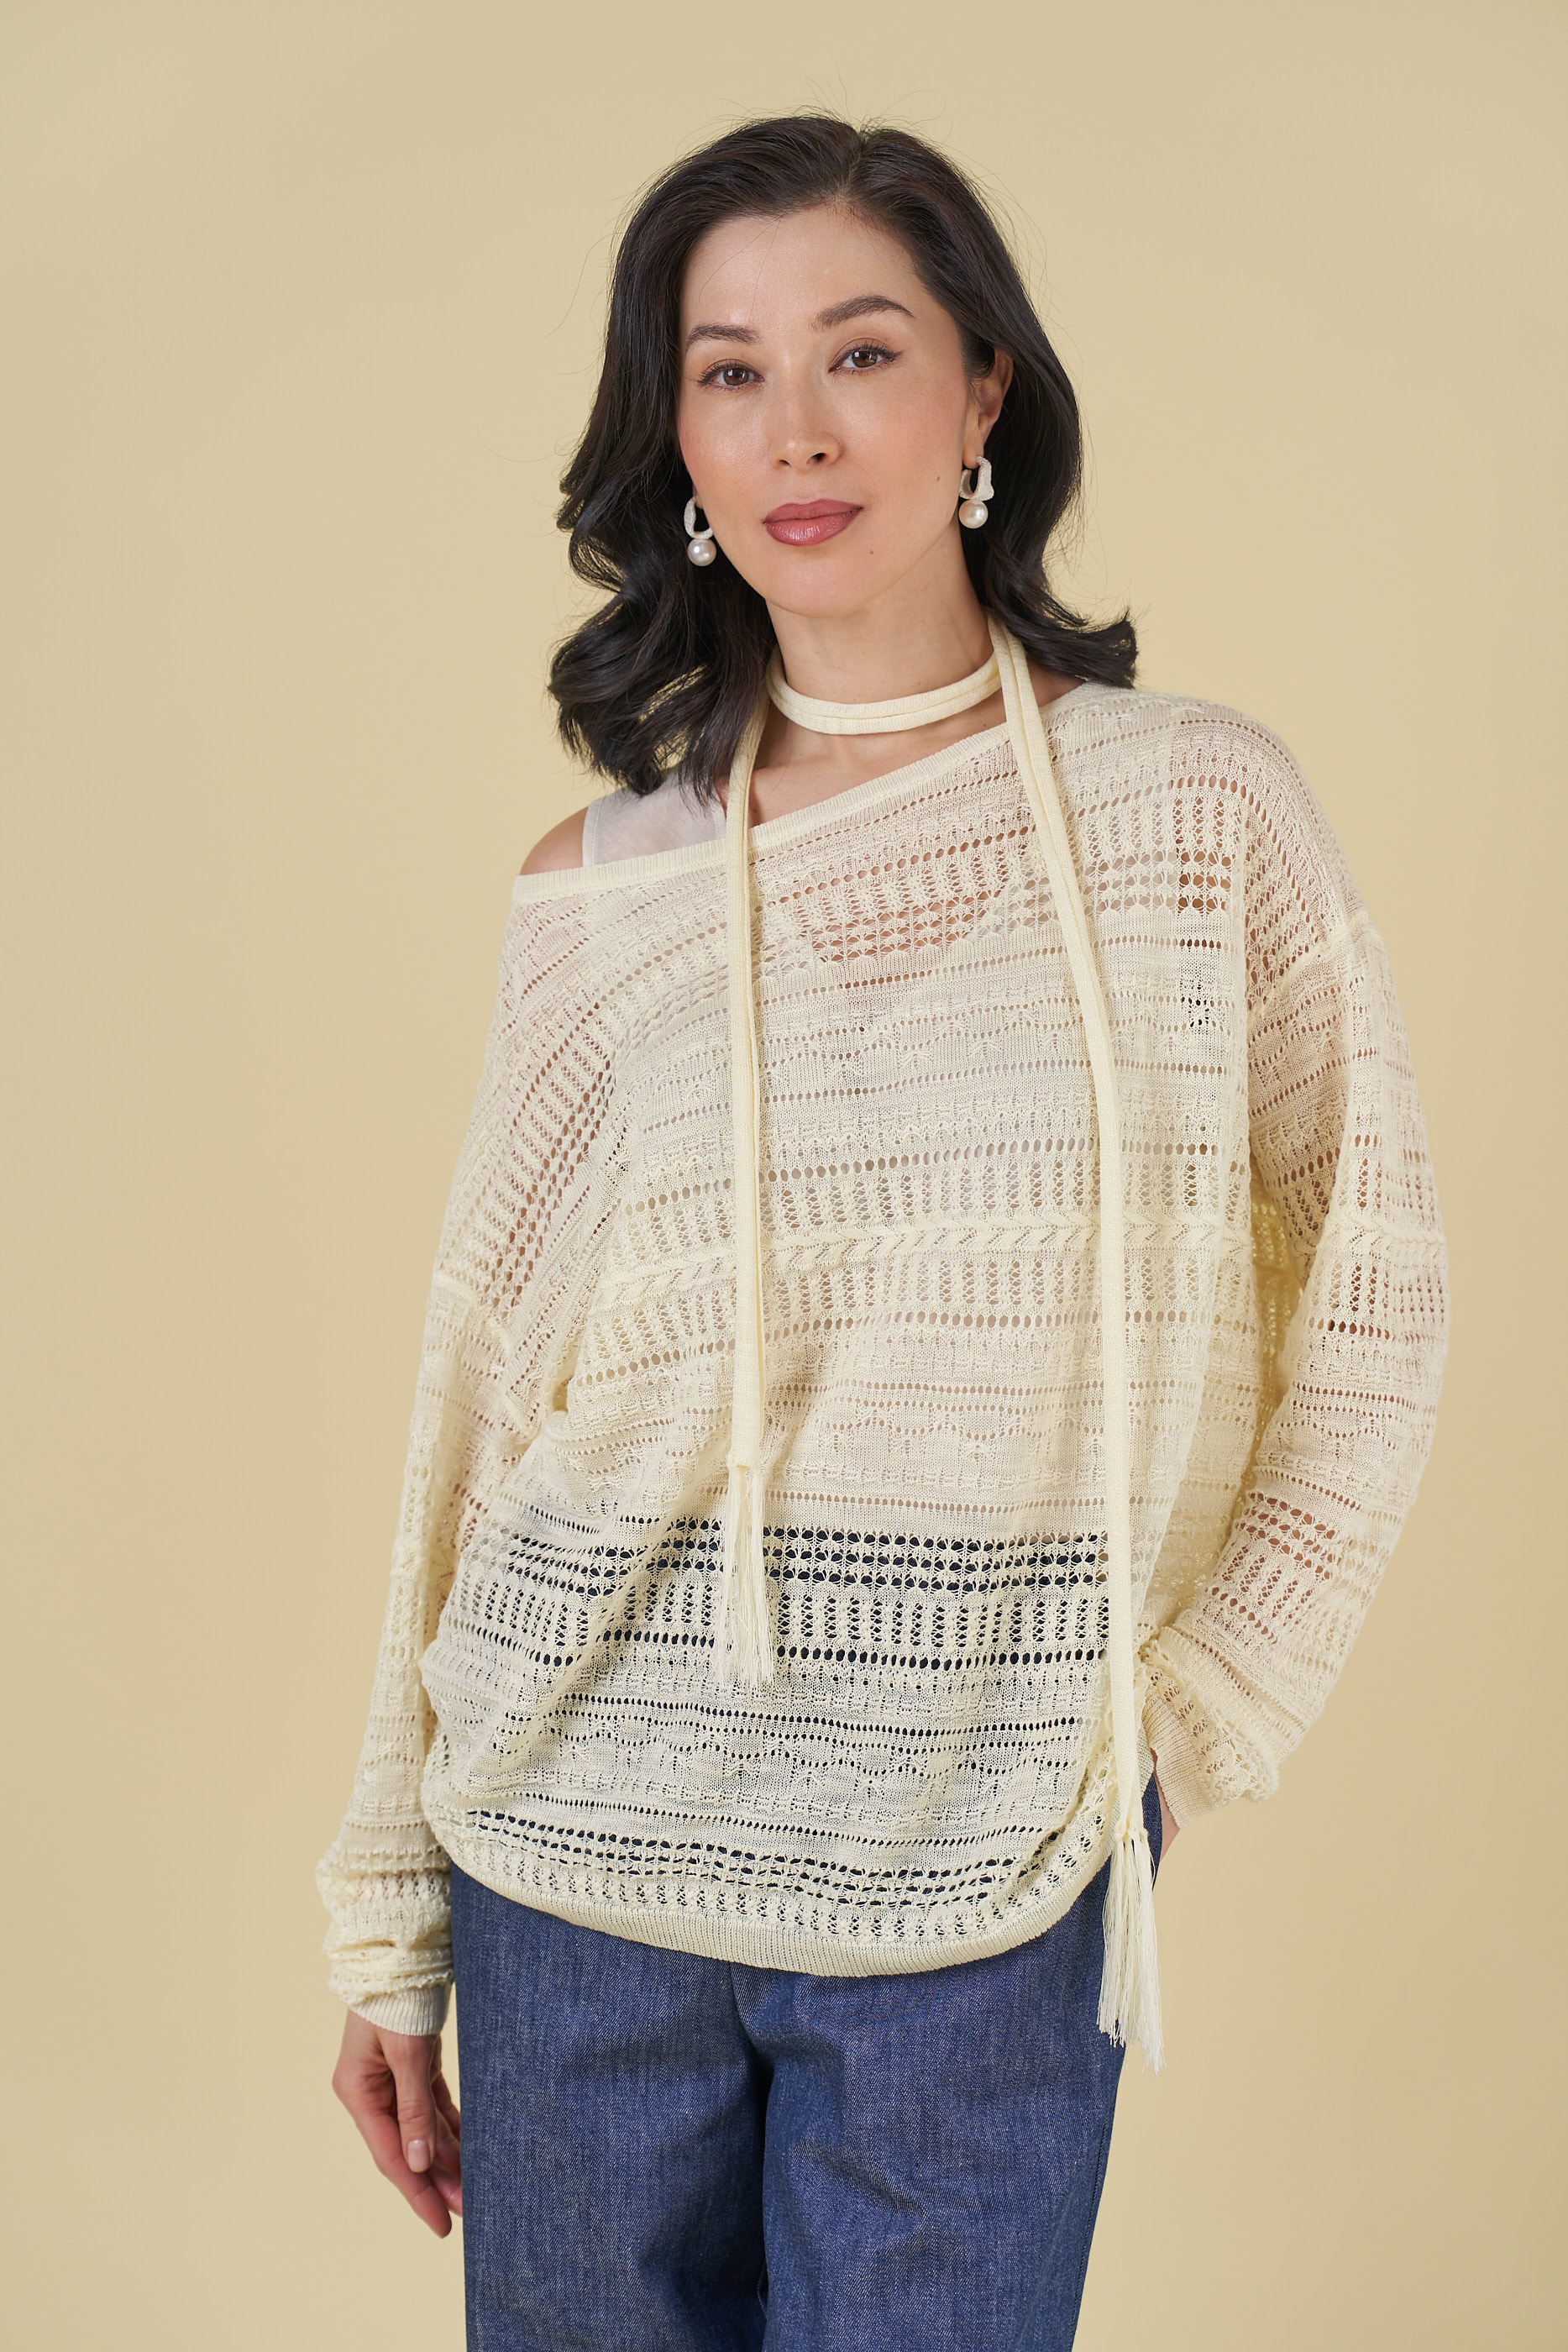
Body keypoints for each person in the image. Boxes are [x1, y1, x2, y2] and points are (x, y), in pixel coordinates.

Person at [317, 113, 1449, 2351]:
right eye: (727, 372)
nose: (798, 432)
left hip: (991, 1861)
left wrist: (1175, 1728)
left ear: (982, 391)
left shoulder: (1192, 815)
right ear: (674, 439)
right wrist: (386, 1916)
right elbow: (475, 1408)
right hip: (572, 1861)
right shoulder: (604, 896)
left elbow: (1379, 1296)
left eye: (860, 351)